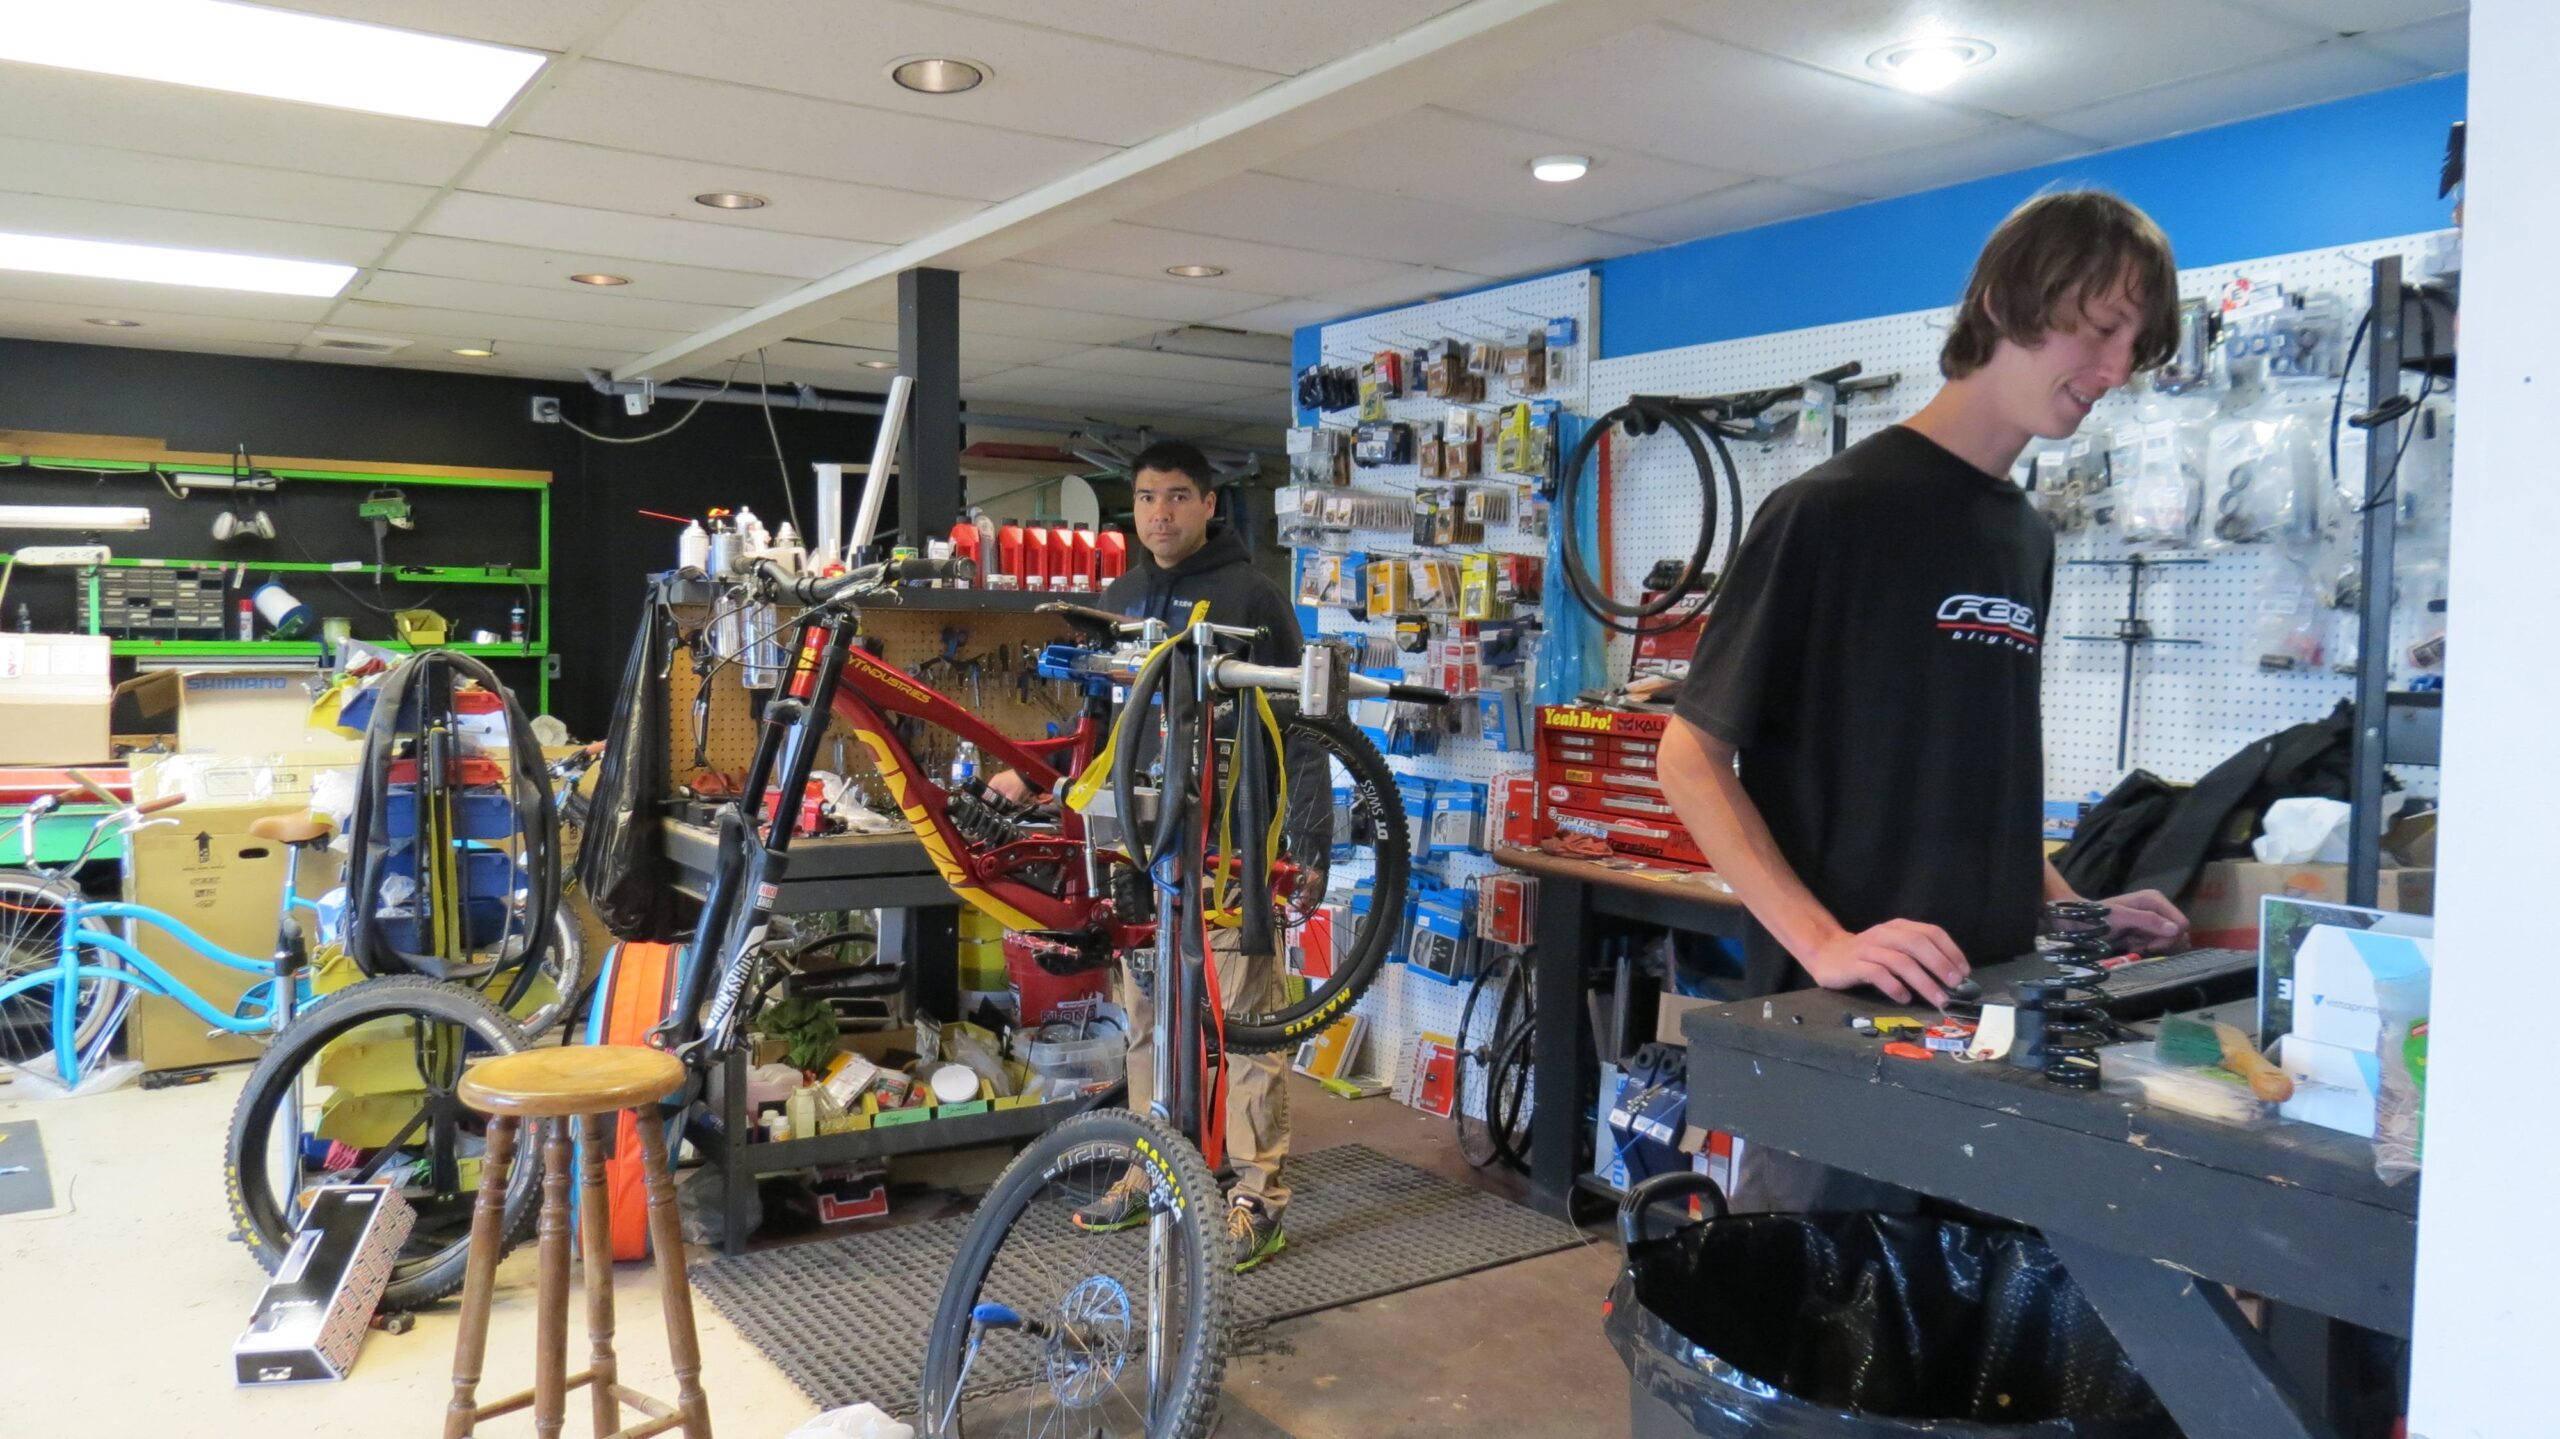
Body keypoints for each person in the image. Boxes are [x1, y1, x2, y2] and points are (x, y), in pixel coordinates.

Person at [1659, 190, 2195, 1106]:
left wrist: (2069, 906)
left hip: (1990, 1008)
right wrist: (1824, 941)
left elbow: (1969, 780)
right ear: (2005, 303)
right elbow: (1690, 758)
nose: (2114, 370)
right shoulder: (1833, 511)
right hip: (1844, 1021)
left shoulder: (2026, 533)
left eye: (2132, 349)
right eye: (2102, 330)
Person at [991, 440, 1299, 1270]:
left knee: (1245, 1022)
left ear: (1208, 505)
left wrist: (1304, 844)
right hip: (1139, 845)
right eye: (1146, 497)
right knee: (1147, 1017)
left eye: (1176, 496)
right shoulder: (1120, 597)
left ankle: (1256, 1194)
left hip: (1233, 843)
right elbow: (1094, 727)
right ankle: (1152, 1162)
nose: (1158, 512)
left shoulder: (1253, 596)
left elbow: (1301, 729)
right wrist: (1031, 781)